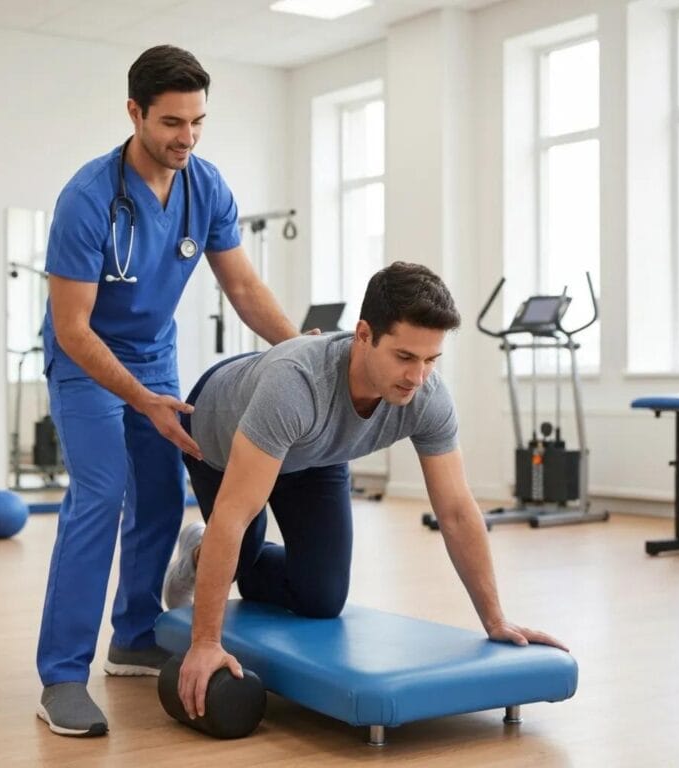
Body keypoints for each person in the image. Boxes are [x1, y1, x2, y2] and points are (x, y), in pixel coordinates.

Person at [162, 261, 569, 720]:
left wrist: (495, 620)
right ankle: (199, 553)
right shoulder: (295, 385)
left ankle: (234, 558)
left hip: (316, 451)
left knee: (322, 598)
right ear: (363, 335)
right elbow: (234, 515)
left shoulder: (427, 396)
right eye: (404, 357)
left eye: (430, 360)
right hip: (221, 432)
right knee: (240, 541)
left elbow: (456, 510)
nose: (417, 377)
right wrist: (205, 643)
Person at [36, 45, 301, 737]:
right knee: (101, 493)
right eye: (172, 122)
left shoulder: (204, 186)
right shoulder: (88, 199)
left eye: (198, 122)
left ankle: (133, 635)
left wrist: (304, 350)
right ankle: (61, 675)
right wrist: (140, 398)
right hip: (84, 356)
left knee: (160, 495)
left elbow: (243, 286)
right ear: (135, 113)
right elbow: (72, 328)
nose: (187, 137)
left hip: (153, 354)